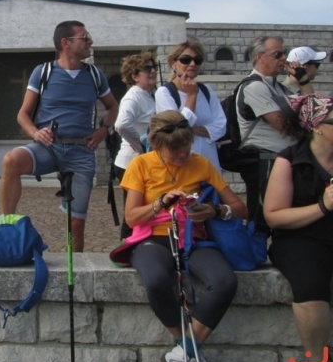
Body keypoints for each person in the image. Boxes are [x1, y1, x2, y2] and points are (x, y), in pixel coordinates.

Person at [121, 111, 247, 362]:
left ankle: (182, 353)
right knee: (156, 280)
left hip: (193, 239)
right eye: (174, 150)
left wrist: (215, 210)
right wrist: (161, 203)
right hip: (152, 238)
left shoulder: (201, 163)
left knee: (224, 282)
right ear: (157, 145)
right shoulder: (140, 164)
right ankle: (188, 350)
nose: (182, 155)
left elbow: (240, 207)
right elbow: (131, 217)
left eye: (186, 147)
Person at [0, 20, 119, 253]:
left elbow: (112, 106)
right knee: (11, 160)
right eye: (85, 37)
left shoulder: (95, 74)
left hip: (81, 151)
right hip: (48, 147)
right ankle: (6, 226)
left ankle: (74, 268)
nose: (90, 41)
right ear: (66, 43)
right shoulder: (43, 72)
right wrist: (35, 132)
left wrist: (103, 130)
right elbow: (22, 115)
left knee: (76, 224)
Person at [264, 94, 333, 362]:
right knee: (310, 283)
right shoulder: (290, 159)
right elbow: (274, 215)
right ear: (317, 126)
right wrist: (323, 206)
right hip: (300, 238)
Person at [237, 35, 296, 223]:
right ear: (259, 57)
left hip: (279, 159)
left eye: (284, 54)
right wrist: (306, 128)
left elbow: (313, 111)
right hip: (265, 161)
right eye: (277, 54)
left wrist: (302, 81)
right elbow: (282, 124)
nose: (283, 59)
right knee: (260, 218)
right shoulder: (254, 87)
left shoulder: (278, 87)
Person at [155, 39, 226, 172]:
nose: (192, 64)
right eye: (186, 60)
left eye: (197, 60)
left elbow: (221, 126)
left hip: (210, 165)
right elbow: (176, 130)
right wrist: (191, 96)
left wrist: (192, 130)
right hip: (183, 167)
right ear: (173, 64)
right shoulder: (165, 93)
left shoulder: (207, 91)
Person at [113, 52, 157, 239]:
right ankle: (125, 247)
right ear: (134, 76)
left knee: (141, 210)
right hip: (131, 163)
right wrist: (141, 145)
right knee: (133, 213)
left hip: (140, 163)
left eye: (154, 67)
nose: (153, 71)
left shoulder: (149, 95)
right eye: (147, 68)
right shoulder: (133, 96)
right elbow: (121, 124)